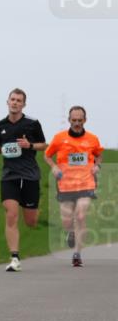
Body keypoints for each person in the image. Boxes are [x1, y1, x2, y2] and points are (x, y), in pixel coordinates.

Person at [0, 88, 46, 272]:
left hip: (29, 175)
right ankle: (14, 258)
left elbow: (44, 145)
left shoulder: (32, 123)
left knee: (31, 221)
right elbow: (1, 147)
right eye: (12, 99)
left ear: (23, 104)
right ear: (7, 102)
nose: (15, 103)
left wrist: (29, 145)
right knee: (11, 214)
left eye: (19, 100)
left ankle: (35, 210)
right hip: (9, 176)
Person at [44, 106, 104, 267]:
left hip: (86, 183)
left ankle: (77, 254)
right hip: (65, 184)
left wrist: (97, 166)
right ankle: (70, 232)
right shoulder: (59, 138)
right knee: (66, 221)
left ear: (85, 120)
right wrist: (54, 167)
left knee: (81, 216)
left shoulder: (92, 139)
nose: (77, 123)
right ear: (69, 120)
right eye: (74, 120)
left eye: (80, 120)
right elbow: (47, 155)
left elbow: (99, 156)